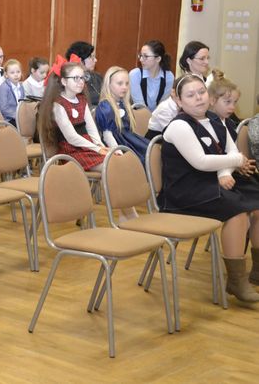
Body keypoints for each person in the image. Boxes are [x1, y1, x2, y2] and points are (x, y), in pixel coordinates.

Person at [157, 74, 259, 302]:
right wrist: (236, 162)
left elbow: (231, 152)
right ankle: (236, 281)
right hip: (185, 191)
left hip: (212, 180)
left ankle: (257, 270)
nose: (198, 98)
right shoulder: (179, 126)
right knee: (237, 210)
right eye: (190, 95)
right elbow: (201, 162)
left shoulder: (214, 119)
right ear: (179, 100)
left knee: (256, 200)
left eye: (201, 92)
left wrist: (225, 173)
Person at [39, 61, 109, 171]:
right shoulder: (58, 104)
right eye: (76, 78)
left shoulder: (82, 100)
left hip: (87, 146)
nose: (81, 82)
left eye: (82, 78)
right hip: (71, 150)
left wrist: (99, 145)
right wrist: (96, 149)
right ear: (64, 81)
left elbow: (91, 128)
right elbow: (71, 137)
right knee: (110, 166)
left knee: (114, 159)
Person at [95, 66, 149, 163]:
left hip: (129, 141)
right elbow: (107, 136)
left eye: (127, 83)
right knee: (142, 158)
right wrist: (119, 154)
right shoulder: (105, 107)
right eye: (120, 83)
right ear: (109, 84)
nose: (124, 87)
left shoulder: (123, 104)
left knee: (150, 150)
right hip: (118, 145)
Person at [129, 40, 174, 111]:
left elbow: (163, 105)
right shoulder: (135, 74)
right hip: (138, 115)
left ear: (158, 59)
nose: (141, 59)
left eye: (145, 56)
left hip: (158, 115)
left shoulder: (168, 76)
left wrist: (155, 116)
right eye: (140, 55)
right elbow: (139, 106)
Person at [65, 41, 101, 107]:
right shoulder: (70, 82)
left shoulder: (97, 77)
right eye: (91, 57)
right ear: (80, 60)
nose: (95, 60)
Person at [207, 69, 241, 138]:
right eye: (228, 102)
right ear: (212, 100)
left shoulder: (231, 124)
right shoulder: (207, 126)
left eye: (235, 102)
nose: (232, 107)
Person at [0, 59, 25, 125]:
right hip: (7, 119)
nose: (16, 75)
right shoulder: (4, 88)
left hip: (18, 116)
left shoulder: (21, 86)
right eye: (12, 73)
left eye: (18, 72)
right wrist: (17, 116)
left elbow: (23, 103)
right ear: (6, 75)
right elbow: (4, 109)